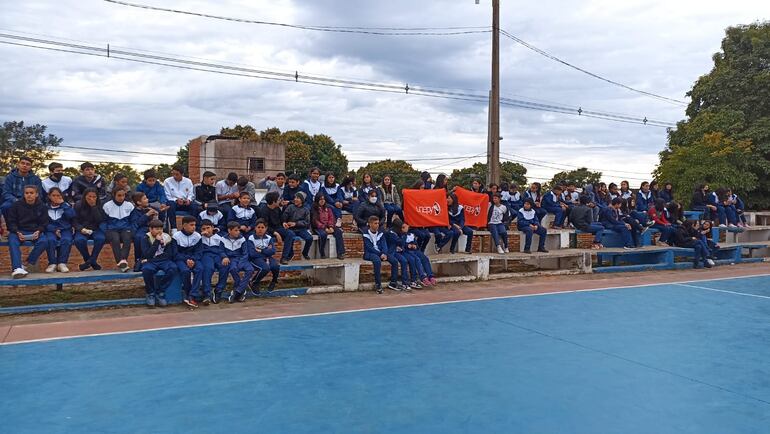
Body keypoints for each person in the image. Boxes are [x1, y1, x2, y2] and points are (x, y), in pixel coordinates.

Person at [6, 185, 49, 278]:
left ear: (36, 194)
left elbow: (44, 222)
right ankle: (17, 268)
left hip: (35, 231)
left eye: (31, 193)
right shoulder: (16, 205)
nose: (29, 195)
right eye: (26, 193)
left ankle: (27, 263)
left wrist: (39, 231)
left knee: (44, 241)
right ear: (24, 194)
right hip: (19, 231)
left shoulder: (42, 206)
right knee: (12, 240)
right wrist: (17, 231)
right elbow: (11, 221)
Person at [139, 219, 176, 307]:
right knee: (147, 269)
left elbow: (169, 254)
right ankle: (150, 293)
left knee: (173, 268)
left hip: (163, 260)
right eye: (156, 229)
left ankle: (160, 292)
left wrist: (155, 259)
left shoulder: (167, 238)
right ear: (150, 229)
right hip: (151, 261)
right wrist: (156, 242)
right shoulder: (145, 238)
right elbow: (147, 254)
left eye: (161, 228)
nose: (159, 231)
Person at [73, 188, 106, 271]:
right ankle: (91, 261)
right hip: (82, 229)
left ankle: (90, 261)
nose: (92, 199)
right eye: (89, 197)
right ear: (84, 197)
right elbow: (74, 221)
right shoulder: (78, 205)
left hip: (96, 229)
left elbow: (100, 220)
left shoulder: (100, 204)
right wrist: (81, 229)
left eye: (94, 197)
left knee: (100, 238)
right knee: (79, 240)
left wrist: (94, 207)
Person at [173, 216, 203, 308]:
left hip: (194, 259)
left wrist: (193, 259)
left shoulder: (197, 236)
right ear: (184, 225)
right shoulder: (176, 236)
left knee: (200, 269)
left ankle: (192, 295)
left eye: (195, 225)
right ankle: (189, 293)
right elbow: (175, 254)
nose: (194, 227)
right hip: (180, 259)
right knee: (185, 271)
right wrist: (186, 260)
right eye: (191, 225)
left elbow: (199, 252)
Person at [222, 221, 255, 303]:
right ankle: (241, 291)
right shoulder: (223, 239)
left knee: (250, 269)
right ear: (229, 230)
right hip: (231, 259)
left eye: (238, 230)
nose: (238, 232)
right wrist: (224, 256)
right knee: (233, 269)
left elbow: (245, 253)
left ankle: (237, 292)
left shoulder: (242, 239)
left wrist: (241, 263)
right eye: (236, 230)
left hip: (242, 259)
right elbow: (221, 251)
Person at [258, 192, 295, 265]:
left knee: (290, 234)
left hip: (278, 228)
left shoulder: (277, 208)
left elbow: (281, 219)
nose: (280, 201)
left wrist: (284, 223)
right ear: (273, 201)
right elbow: (264, 226)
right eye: (278, 200)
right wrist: (275, 233)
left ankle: (284, 257)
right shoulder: (264, 210)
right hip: (268, 230)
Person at [103, 188, 134, 272]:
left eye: (123, 195)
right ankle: (122, 263)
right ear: (114, 195)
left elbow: (132, 220)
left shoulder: (129, 205)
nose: (121, 197)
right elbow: (104, 221)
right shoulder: (107, 205)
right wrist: (105, 231)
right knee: (115, 240)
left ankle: (122, 261)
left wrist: (132, 229)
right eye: (119, 195)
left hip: (126, 228)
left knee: (127, 239)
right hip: (112, 229)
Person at [44, 187, 75, 272]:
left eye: (58, 195)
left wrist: (63, 204)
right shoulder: (45, 207)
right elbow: (43, 222)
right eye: (53, 195)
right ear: (49, 196)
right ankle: (52, 263)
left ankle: (62, 263)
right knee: (50, 240)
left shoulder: (66, 206)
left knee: (66, 240)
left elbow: (71, 216)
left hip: (65, 229)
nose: (56, 197)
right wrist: (54, 229)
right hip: (51, 230)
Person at [199, 220, 229, 304]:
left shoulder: (219, 237)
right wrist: (200, 236)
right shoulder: (199, 238)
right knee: (208, 268)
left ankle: (218, 290)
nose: (206, 230)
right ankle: (206, 294)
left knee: (225, 266)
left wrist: (225, 257)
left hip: (218, 255)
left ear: (212, 228)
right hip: (206, 255)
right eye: (204, 228)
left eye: (208, 228)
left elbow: (223, 250)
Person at [248, 219, 281, 294]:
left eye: (262, 227)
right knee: (265, 268)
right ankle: (254, 282)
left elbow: (273, 251)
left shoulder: (269, 238)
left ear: (266, 228)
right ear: (255, 228)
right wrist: (266, 250)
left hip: (267, 257)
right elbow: (252, 253)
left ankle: (274, 281)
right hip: (255, 258)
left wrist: (261, 250)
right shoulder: (251, 238)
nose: (260, 229)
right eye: (258, 227)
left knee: (275, 266)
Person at [130, 192, 159, 272]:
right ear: (139, 202)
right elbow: (137, 223)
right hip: (141, 229)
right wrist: (147, 215)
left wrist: (159, 213)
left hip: (152, 228)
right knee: (139, 237)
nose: (147, 200)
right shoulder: (135, 211)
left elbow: (158, 222)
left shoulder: (151, 208)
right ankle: (138, 260)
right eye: (145, 199)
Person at [311, 194, 345, 260]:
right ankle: (322, 252)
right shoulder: (314, 208)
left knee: (339, 232)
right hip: (318, 227)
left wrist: (331, 227)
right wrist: (324, 228)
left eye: (323, 199)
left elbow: (331, 218)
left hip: (328, 226)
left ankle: (340, 253)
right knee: (323, 235)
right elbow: (315, 221)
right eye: (320, 199)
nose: (322, 201)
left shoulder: (328, 208)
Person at [402, 220, 436, 287]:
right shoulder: (401, 235)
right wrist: (407, 246)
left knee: (425, 258)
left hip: (414, 250)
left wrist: (414, 245)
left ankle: (430, 275)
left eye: (405, 227)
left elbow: (416, 244)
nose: (404, 229)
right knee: (417, 259)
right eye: (403, 227)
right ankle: (423, 277)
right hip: (407, 251)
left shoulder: (411, 234)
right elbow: (402, 244)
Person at [164, 165, 198, 231]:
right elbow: (167, 195)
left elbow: (191, 194)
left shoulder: (188, 181)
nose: (174, 176)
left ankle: (192, 226)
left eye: (177, 174)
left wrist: (189, 200)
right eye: (173, 174)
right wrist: (176, 200)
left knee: (194, 206)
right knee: (170, 205)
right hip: (174, 202)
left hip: (185, 202)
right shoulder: (167, 181)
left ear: (182, 174)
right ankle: (174, 228)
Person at [282, 191, 314, 260]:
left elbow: (307, 222)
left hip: (301, 229)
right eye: (295, 197)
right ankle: (290, 254)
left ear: (302, 200)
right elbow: (284, 217)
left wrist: (296, 224)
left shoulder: (306, 210)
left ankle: (305, 253)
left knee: (309, 238)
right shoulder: (290, 207)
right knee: (290, 237)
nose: (295, 199)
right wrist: (285, 222)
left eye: (298, 198)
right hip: (291, 229)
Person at [362, 215, 389, 294]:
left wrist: (384, 253)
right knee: (377, 261)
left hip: (380, 253)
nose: (377, 225)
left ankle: (394, 282)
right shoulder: (365, 234)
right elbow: (369, 247)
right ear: (370, 224)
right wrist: (380, 254)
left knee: (394, 260)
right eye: (375, 223)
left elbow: (384, 245)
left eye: (378, 223)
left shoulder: (381, 233)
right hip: (369, 253)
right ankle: (378, 284)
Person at [384, 220, 413, 291]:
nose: (402, 229)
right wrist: (405, 233)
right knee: (395, 262)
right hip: (388, 252)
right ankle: (393, 283)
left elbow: (400, 244)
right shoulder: (391, 233)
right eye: (401, 227)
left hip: (394, 252)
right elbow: (401, 242)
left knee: (404, 261)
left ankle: (405, 283)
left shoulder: (396, 233)